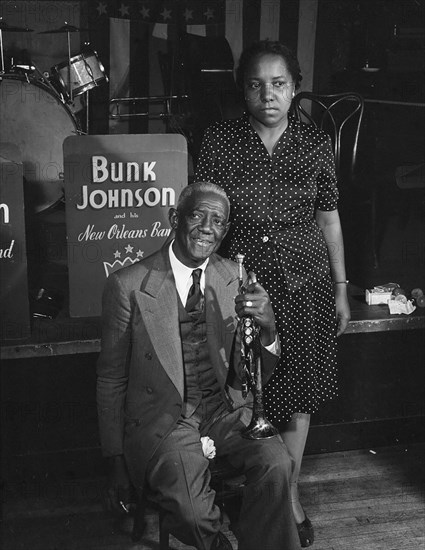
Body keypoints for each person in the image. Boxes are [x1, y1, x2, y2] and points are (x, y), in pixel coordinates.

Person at [195, 41, 351, 547]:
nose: (268, 94)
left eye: (278, 84)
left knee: (299, 391)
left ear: (295, 87)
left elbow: (329, 219)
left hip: (307, 281)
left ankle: (288, 495)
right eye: (256, 84)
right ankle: (262, 484)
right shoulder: (219, 141)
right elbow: (204, 215)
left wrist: (342, 289)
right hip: (243, 285)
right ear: (243, 90)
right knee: (250, 389)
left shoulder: (313, 143)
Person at [96, 181, 302, 550]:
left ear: (225, 231)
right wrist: (114, 461)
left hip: (224, 410)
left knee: (277, 465)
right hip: (166, 420)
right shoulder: (127, 285)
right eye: (197, 215)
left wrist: (269, 328)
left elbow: (256, 375)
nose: (208, 227)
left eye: (219, 221)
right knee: (192, 512)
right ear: (175, 218)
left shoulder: (232, 277)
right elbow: (110, 378)